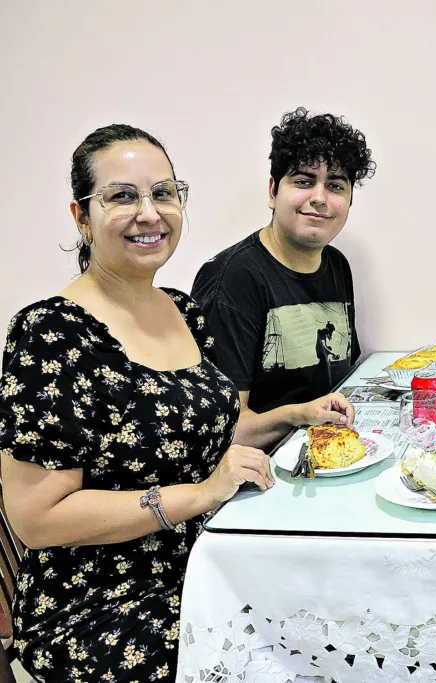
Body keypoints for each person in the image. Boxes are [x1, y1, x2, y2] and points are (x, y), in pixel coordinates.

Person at [0, 124, 274, 682]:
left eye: (165, 193)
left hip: (212, 555)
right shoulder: (51, 333)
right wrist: (198, 495)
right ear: (81, 217)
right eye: (122, 196)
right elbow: (36, 520)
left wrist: (295, 416)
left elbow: (202, 434)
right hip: (106, 601)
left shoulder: (183, 309)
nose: (150, 212)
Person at [192, 107, 375, 450]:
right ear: (274, 191)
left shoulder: (336, 264)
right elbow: (222, 431)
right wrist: (299, 415)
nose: (320, 198)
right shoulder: (231, 279)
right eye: (304, 181)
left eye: (335, 185)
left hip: (328, 453)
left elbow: (345, 382)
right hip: (262, 477)